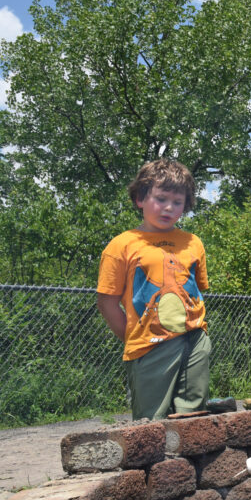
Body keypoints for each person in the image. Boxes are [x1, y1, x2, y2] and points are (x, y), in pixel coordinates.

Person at [97, 158, 212, 420]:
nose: (168, 208)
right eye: (160, 199)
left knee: (193, 417)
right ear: (140, 198)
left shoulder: (193, 243)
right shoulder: (122, 244)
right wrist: (132, 336)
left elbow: (197, 290)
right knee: (152, 423)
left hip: (195, 340)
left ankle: (191, 461)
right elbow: (106, 302)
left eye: (177, 202)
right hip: (149, 345)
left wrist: (200, 336)